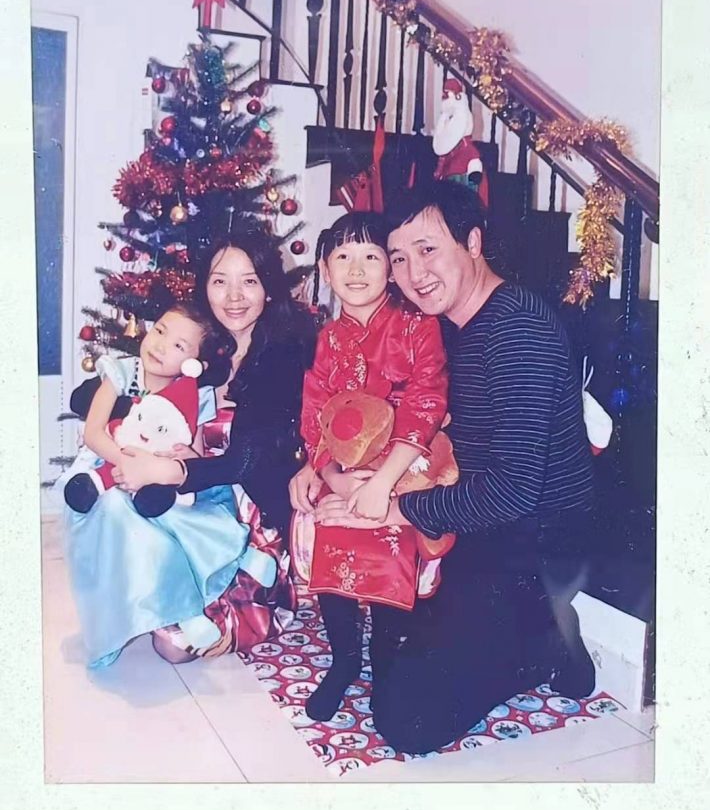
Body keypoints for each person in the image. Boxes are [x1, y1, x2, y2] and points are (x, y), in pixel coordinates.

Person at [294, 180, 596, 754]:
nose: (414, 273)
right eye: (399, 258)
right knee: (400, 656)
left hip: (532, 542)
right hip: (473, 521)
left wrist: (394, 508)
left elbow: (513, 492)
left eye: (428, 250)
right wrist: (326, 468)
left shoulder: (518, 329)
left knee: (406, 720)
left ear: (473, 242)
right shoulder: (453, 325)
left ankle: (546, 643)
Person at [66, 217, 315, 668]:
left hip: (249, 516)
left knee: (173, 646)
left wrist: (174, 469)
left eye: (249, 281)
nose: (234, 296)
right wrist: (115, 387)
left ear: (268, 288)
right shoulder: (199, 346)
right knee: (124, 519)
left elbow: (247, 461)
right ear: (206, 287)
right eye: (220, 281)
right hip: (188, 501)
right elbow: (104, 393)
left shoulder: (282, 353)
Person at [291, 211, 450, 722]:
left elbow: (426, 403)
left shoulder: (418, 327)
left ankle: (384, 662)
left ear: (391, 267)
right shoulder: (327, 338)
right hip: (346, 467)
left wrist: (382, 482)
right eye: (342, 256)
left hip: (405, 460)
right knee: (330, 524)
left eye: (371, 256)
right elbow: (315, 413)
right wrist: (333, 478)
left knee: (387, 541)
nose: (356, 269)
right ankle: (344, 659)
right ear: (325, 268)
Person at [63, 302, 213, 518]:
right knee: (112, 505)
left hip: (158, 478)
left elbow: (195, 455)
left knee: (168, 514)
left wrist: (186, 457)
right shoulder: (122, 372)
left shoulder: (195, 396)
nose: (160, 346)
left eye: (178, 346)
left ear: (196, 364)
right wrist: (128, 463)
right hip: (109, 459)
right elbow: (93, 433)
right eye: (160, 331)